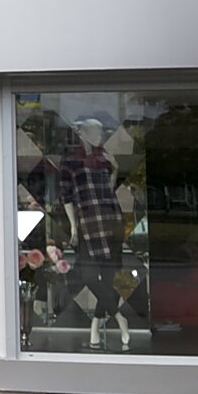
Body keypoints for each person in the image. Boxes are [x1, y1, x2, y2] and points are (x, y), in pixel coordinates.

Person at [60, 118, 130, 350]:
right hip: (88, 223)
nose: (100, 136)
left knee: (109, 278)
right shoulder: (71, 161)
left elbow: (108, 191)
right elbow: (66, 196)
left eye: (101, 132)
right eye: (96, 131)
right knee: (88, 275)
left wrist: (115, 169)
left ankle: (94, 329)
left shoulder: (104, 157)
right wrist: (73, 226)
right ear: (83, 133)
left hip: (110, 220)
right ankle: (119, 317)